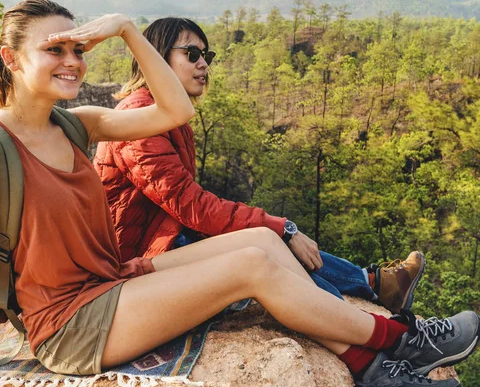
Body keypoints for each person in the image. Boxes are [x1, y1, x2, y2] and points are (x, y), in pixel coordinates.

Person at [0, 0, 478, 387]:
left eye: (77, 48)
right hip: (70, 324)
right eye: (55, 49)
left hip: (112, 281)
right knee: (248, 268)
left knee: (263, 246)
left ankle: (374, 382)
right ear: (11, 59)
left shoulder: (77, 125)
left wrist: (126, 29)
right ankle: (402, 340)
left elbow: (173, 106)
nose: (72, 61)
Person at [94, 17, 423, 315]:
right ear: (156, 57)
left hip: (160, 236)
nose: (203, 65)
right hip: (137, 256)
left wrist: (275, 226)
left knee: (256, 234)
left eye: (207, 56)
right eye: (191, 55)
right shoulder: (136, 120)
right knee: (263, 246)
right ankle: (354, 319)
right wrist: (282, 227)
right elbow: (189, 205)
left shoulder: (162, 113)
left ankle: (374, 289)